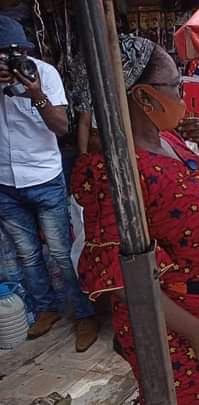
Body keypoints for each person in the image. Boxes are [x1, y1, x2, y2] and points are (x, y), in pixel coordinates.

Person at [70, 35, 199, 403]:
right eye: (176, 86)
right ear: (143, 97)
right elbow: (116, 279)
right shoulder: (117, 172)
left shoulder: (172, 142)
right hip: (179, 328)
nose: (183, 95)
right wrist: (193, 330)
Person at [0, 15, 98, 351]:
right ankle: (47, 309)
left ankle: (85, 315)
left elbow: (61, 126)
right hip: (4, 183)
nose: (9, 65)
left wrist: (35, 93)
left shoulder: (44, 74)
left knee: (61, 253)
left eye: (14, 56)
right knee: (27, 255)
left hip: (43, 178)